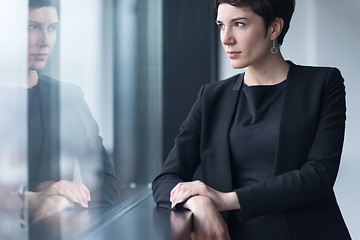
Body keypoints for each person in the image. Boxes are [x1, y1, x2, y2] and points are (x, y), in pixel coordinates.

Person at [152, 0, 351, 239]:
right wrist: (198, 203)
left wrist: (226, 200)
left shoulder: (323, 84)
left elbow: (319, 175)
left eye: (239, 24)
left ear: (275, 28)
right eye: (221, 26)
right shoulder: (211, 97)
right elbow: (165, 179)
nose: (226, 38)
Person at [19, 0, 120, 223]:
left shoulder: (68, 97)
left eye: (52, 28)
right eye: (32, 27)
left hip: (50, 228)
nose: (45, 41)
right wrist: (43, 192)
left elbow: (107, 184)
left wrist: (64, 200)